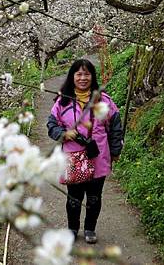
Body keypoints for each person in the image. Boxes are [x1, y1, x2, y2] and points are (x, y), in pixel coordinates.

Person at [47, 58, 123, 243]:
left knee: (94, 197)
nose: (83, 78)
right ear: (72, 77)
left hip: (98, 155)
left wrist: (115, 150)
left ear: (92, 76)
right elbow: (51, 125)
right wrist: (64, 133)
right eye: (79, 74)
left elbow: (115, 127)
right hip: (73, 156)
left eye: (87, 74)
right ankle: (72, 228)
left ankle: (90, 229)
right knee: (74, 197)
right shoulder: (63, 101)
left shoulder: (103, 101)